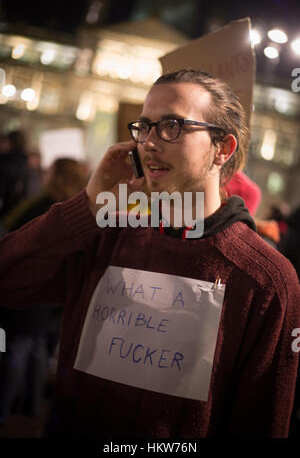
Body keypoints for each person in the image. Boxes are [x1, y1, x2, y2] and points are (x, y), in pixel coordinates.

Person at [0, 69, 299, 438]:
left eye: (172, 125)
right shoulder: (105, 236)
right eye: (145, 126)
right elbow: (7, 281)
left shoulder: (266, 279)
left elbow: (261, 421)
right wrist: (89, 205)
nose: (150, 142)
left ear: (222, 149)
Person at [0, 158, 88, 426]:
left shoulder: (45, 208)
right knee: (38, 348)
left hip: (34, 291)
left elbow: (11, 240)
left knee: (17, 349)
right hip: (56, 299)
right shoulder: (84, 209)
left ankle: (4, 411)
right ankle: (33, 406)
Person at [0, 130, 29, 219]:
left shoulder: (9, 162)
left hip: (8, 204)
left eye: (5, 142)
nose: (3, 144)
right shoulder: (23, 160)